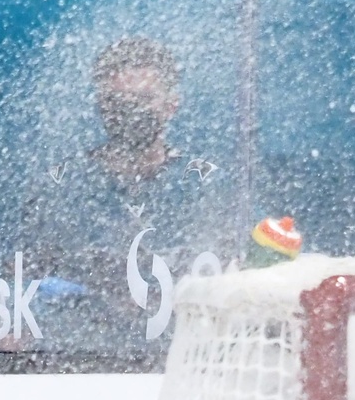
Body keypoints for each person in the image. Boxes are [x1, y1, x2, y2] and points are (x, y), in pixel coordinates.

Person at [14, 35, 233, 355]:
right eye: (118, 100)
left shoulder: (205, 185)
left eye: (144, 98)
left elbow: (243, 275)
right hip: (77, 363)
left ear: (172, 105)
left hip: (184, 365)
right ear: (101, 106)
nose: (131, 110)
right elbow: (16, 284)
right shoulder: (62, 186)